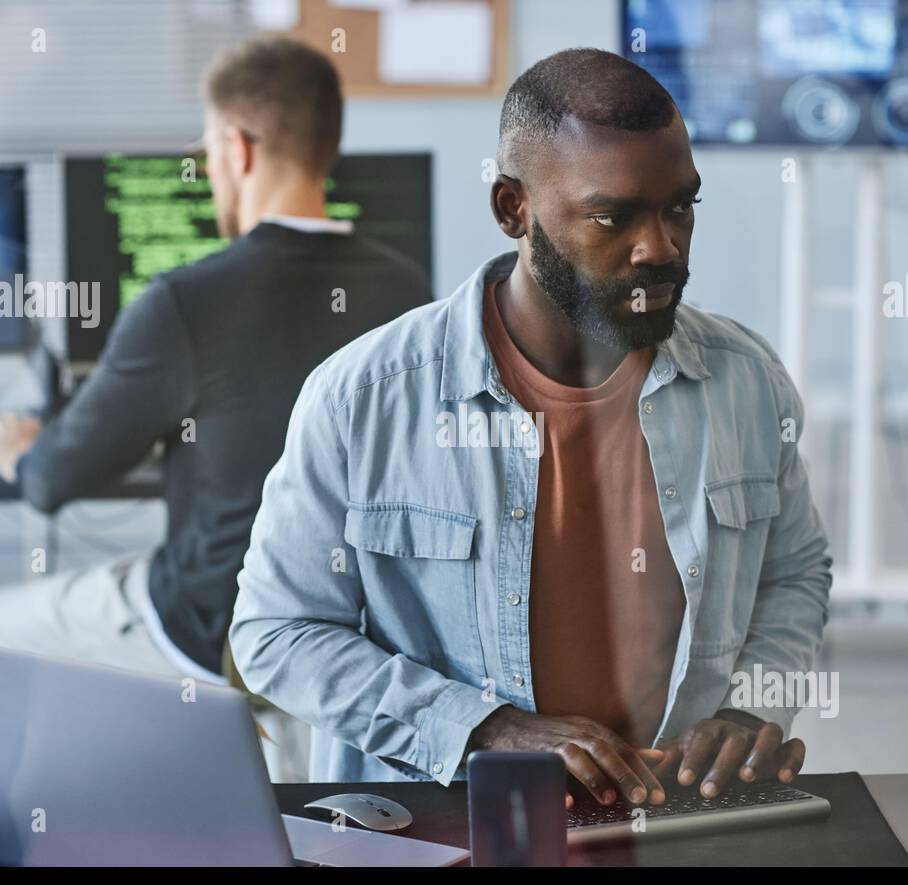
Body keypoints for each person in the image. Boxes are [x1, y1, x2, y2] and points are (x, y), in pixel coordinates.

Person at [229, 48, 832, 807]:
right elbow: (278, 633)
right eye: (612, 217)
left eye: (679, 208)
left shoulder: (745, 381)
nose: (660, 248)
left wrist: (749, 707)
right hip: (447, 825)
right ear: (513, 208)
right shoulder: (364, 398)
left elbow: (794, 574)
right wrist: (484, 729)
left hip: (674, 826)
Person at [0, 36, 431, 782]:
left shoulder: (184, 301)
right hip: (360, 637)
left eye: (207, 150)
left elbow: (53, 481)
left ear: (237, 149)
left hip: (214, 627)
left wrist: (20, 452)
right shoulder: (413, 294)